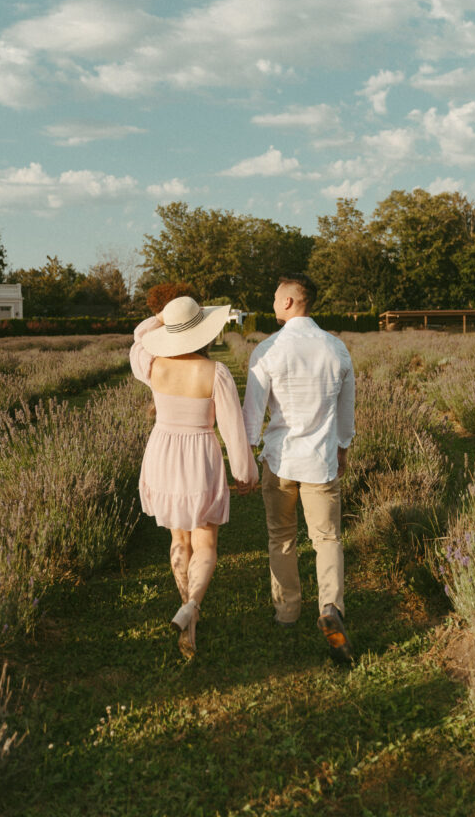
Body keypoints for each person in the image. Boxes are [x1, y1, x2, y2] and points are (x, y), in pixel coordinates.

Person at [130, 295, 258, 658]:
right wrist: (244, 472)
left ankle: (188, 610)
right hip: (199, 455)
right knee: (205, 544)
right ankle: (192, 607)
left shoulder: (152, 364)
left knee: (179, 540)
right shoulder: (214, 373)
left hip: (163, 453)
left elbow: (138, 337)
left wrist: (160, 318)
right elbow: (233, 429)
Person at [242, 274, 356, 663]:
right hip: (321, 459)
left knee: (281, 537)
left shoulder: (268, 350)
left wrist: (247, 458)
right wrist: (342, 449)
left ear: (290, 301)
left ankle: (287, 610)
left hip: (280, 459)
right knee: (327, 538)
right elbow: (346, 410)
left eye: (276, 296)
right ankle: (330, 609)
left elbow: (252, 414)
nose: (272, 301)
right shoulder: (336, 348)